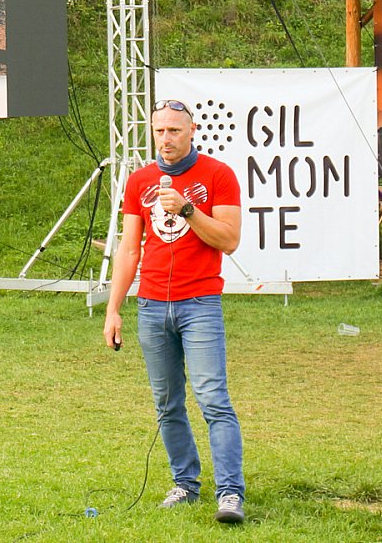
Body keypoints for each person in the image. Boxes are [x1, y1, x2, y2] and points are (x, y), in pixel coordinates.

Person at [102, 99, 247, 525]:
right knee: (167, 403)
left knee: (213, 398)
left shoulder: (219, 175)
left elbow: (229, 240)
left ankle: (230, 493)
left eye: (174, 131)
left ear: (192, 131)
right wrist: (114, 309)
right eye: (159, 131)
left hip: (199, 303)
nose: (165, 139)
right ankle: (185, 483)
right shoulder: (140, 181)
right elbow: (130, 250)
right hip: (151, 306)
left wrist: (187, 209)